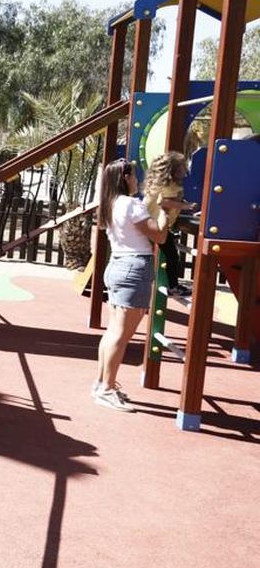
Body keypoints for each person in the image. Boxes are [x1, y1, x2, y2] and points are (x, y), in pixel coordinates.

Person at [94, 158, 168, 413]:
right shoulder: (131, 205)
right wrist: (167, 211)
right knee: (121, 335)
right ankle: (106, 388)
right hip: (134, 268)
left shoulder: (110, 203)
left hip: (117, 265)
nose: (137, 179)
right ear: (125, 178)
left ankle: (103, 382)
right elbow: (159, 234)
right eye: (135, 175)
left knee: (113, 331)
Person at [142, 151, 194, 296]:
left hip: (148, 223)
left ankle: (170, 285)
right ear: (175, 170)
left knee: (160, 254)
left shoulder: (163, 184)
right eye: (183, 167)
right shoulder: (170, 185)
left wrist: (183, 204)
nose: (186, 169)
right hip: (154, 225)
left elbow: (169, 200)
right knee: (171, 256)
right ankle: (173, 286)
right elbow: (162, 201)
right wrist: (185, 207)